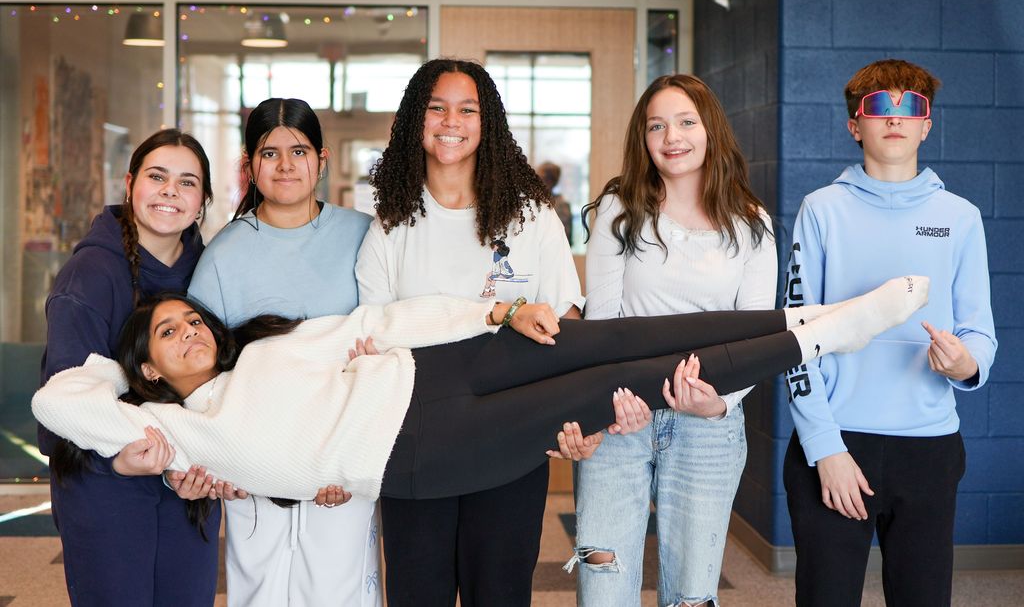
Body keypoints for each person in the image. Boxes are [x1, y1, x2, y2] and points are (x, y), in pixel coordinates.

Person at [34, 275, 929, 505]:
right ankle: (815, 341)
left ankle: (813, 317)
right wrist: (122, 376)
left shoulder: (269, 350)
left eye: (192, 318)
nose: (191, 330)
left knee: (613, 337)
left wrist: (494, 306)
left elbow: (381, 320)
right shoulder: (165, 427)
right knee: (631, 381)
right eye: (169, 332)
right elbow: (55, 401)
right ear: (149, 366)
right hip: (422, 453)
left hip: (438, 370)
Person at [354, 57, 590, 606]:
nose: (450, 121)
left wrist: (568, 414)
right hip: (414, 441)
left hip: (512, 436)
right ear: (417, 120)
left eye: (467, 109)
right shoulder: (391, 225)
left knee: (501, 594)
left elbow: (568, 322)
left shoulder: (532, 217)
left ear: (488, 124)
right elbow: (374, 332)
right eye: (436, 108)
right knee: (418, 593)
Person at [782, 59, 997, 607]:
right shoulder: (821, 210)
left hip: (928, 450)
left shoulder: (960, 217)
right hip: (835, 444)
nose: (895, 118)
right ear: (856, 125)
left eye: (911, 107)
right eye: (879, 105)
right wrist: (824, 448)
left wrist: (966, 363)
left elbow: (979, 333)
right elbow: (794, 338)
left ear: (928, 124)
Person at [574, 74, 776, 606]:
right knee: (604, 582)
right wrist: (611, 403)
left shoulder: (753, 225)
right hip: (621, 421)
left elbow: (755, 341)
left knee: (692, 594)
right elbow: (603, 325)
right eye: (656, 125)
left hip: (709, 430)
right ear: (643, 138)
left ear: (711, 129)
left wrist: (717, 404)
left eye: (686, 122)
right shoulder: (620, 210)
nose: (672, 137)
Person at [184, 98, 377, 607]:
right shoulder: (223, 255)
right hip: (255, 462)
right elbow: (202, 374)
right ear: (250, 165)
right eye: (270, 154)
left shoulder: (363, 237)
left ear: (323, 157)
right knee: (261, 594)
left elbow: (382, 349)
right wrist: (223, 458)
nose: (286, 165)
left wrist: (347, 459)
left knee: (340, 592)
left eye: (299, 151)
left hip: (342, 456)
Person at [37, 129, 220, 606]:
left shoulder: (211, 271)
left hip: (187, 489)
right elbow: (60, 409)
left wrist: (211, 461)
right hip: (106, 488)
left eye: (187, 183)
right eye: (157, 177)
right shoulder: (90, 277)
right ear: (129, 183)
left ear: (202, 201)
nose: (169, 192)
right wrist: (117, 460)